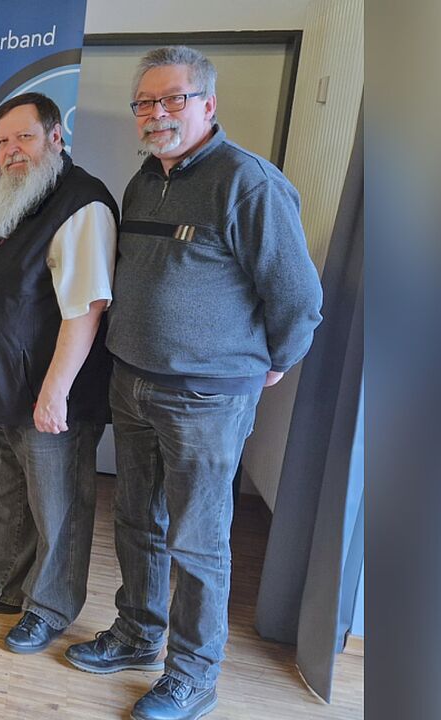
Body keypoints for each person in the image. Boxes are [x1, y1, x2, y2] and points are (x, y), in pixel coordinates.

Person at [62, 47, 323, 720]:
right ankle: (138, 634)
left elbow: (298, 298)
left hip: (206, 399)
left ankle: (193, 677)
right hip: (134, 382)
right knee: (135, 523)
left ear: (208, 104)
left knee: (196, 541)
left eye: (172, 99)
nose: (157, 113)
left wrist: (272, 362)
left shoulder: (248, 183)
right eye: (145, 102)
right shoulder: (143, 181)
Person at [0, 93, 116, 655]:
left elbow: (87, 307)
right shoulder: (15, 195)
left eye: (25, 137)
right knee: (8, 494)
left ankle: (49, 608)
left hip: (49, 393)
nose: (12, 150)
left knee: (57, 507)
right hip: (3, 383)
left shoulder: (82, 203)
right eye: (4, 140)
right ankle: (0, 583)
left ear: (56, 136)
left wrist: (56, 391)